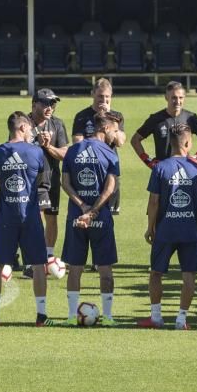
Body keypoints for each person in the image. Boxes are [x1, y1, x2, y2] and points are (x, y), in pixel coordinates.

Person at [139, 123, 197, 331]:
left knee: (156, 273)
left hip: (165, 229)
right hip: (189, 229)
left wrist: (150, 227)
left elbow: (153, 202)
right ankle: (181, 319)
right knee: (189, 274)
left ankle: (156, 317)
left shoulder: (160, 167)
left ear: (170, 143)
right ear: (188, 142)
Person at [0, 112, 52, 326]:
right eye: (30, 128)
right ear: (22, 127)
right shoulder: (36, 152)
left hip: (6, 216)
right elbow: (41, 180)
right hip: (30, 216)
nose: (32, 132)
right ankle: (41, 316)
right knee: (38, 264)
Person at [61, 112, 121, 326]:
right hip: (101, 217)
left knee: (75, 267)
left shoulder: (72, 151)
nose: (117, 134)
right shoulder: (110, 154)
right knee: (105, 268)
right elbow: (110, 188)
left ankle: (70, 316)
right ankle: (108, 316)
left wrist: (83, 207)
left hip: (76, 216)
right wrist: (94, 211)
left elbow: (65, 183)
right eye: (115, 130)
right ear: (105, 129)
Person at [28, 88, 70, 273]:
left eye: (52, 103)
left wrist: (48, 146)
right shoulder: (24, 123)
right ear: (34, 104)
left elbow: (65, 154)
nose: (50, 107)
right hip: (31, 180)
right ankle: (32, 260)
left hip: (52, 177)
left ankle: (48, 256)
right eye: (45, 103)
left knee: (52, 218)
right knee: (35, 219)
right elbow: (16, 148)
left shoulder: (57, 124)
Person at [71, 78, 126, 214]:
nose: (104, 100)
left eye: (107, 96)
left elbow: (120, 142)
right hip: (88, 169)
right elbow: (77, 142)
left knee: (109, 216)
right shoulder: (82, 116)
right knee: (86, 212)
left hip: (109, 169)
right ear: (93, 94)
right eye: (100, 96)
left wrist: (108, 117)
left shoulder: (117, 116)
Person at [132, 81, 197, 167]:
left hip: (184, 168)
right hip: (163, 170)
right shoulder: (155, 119)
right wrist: (148, 161)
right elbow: (135, 140)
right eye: (174, 97)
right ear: (166, 97)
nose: (178, 101)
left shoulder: (190, 118)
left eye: (180, 97)